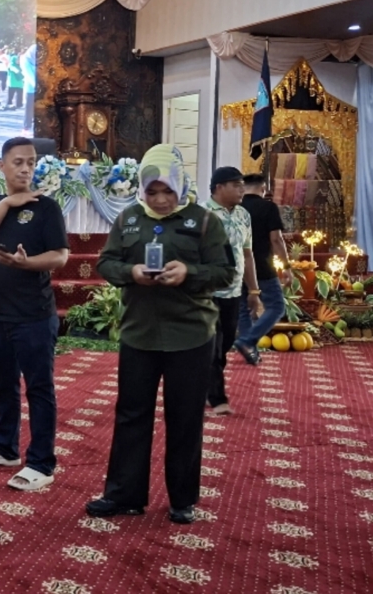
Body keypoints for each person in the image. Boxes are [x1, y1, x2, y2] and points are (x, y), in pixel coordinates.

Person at [87, 145, 232, 525]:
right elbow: (106, 262)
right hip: (140, 333)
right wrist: (131, 273)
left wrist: (189, 273)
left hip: (191, 335)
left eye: (167, 190)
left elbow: (224, 272)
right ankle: (125, 495)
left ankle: (182, 499)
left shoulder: (204, 221)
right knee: (131, 415)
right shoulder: (129, 219)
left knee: (185, 418)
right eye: (152, 191)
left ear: (180, 185)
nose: (161, 199)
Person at [0, 137, 69, 491]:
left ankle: (41, 462)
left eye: (31, 162)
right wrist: (8, 202)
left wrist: (27, 263)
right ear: (2, 166)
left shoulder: (46, 208)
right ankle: (5, 448)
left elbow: (59, 256)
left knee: (39, 388)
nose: (26, 169)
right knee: (3, 384)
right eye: (18, 162)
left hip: (33, 314)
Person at [203, 166, 263, 416]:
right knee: (212, 346)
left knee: (225, 342)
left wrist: (254, 291)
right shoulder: (203, 215)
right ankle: (217, 398)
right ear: (219, 187)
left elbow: (247, 254)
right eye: (236, 185)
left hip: (234, 292)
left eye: (242, 185)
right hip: (207, 293)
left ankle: (202, 385)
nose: (242, 190)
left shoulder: (243, 215)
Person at [234, 173, 290, 364]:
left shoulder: (236, 207)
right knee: (276, 306)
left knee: (243, 308)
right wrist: (286, 266)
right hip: (262, 266)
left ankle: (251, 351)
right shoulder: (268, 207)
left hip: (239, 265)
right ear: (263, 188)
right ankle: (248, 340)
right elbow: (276, 239)